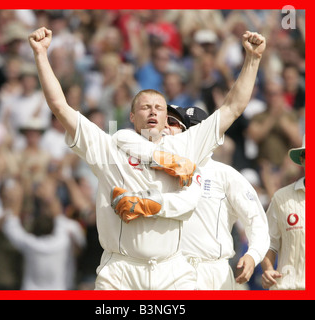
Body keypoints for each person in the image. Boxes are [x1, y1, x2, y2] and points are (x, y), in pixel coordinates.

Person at [28, 26, 265, 290]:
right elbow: (60, 107)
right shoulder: (110, 149)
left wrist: (252, 59)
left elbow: (232, 107)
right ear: (132, 117)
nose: (152, 111)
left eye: (159, 108)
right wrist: (41, 55)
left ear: (166, 118)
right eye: (145, 107)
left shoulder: (186, 146)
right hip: (120, 270)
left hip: (172, 270)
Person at [113, 105, 270, 290]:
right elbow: (121, 137)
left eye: (198, 129)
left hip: (213, 273)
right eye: (187, 128)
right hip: (171, 271)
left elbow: (256, 221)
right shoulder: (161, 172)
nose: (194, 135)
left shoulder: (226, 175)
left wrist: (253, 255)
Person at [261, 135, 305, 290]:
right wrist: (268, 269)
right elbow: (269, 243)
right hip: (287, 289)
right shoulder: (281, 197)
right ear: (303, 160)